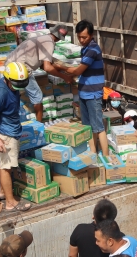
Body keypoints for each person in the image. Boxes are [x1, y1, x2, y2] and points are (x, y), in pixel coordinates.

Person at [0, 62, 32, 211]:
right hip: (5, 135)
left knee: (4, 165)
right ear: (7, 79)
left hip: (12, 131)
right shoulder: (1, 93)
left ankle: (3, 192)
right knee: (6, 168)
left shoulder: (11, 86)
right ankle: (10, 202)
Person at [56, 20, 108, 155]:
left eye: (84, 37)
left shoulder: (92, 50)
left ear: (91, 35)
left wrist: (60, 66)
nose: (81, 40)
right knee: (88, 127)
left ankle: (107, 157)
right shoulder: (85, 49)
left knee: (98, 127)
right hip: (84, 92)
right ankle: (93, 154)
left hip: (93, 93)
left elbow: (78, 71)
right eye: (79, 37)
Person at [6, 25, 74, 123]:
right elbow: (47, 67)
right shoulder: (49, 43)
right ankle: (39, 124)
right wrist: (65, 77)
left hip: (10, 66)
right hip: (21, 69)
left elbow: (43, 65)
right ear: (60, 39)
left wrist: (62, 68)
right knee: (37, 97)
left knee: (12, 93)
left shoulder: (41, 38)